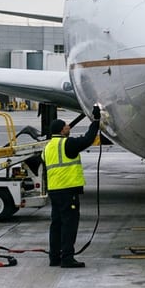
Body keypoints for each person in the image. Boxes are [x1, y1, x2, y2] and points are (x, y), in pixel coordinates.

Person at [44, 107, 102, 268]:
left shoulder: (48, 147)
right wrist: (96, 122)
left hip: (54, 191)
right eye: (67, 126)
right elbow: (88, 139)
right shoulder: (66, 144)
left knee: (56, 224)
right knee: (69, 224)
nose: (69, 127)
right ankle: (67, 257)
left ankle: (54, 257)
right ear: (62, 130)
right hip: (68, 191)